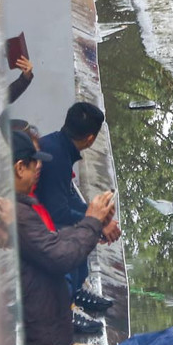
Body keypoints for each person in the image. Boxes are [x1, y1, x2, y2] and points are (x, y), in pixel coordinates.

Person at [13, 130, 117, 345]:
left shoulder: (24, 205)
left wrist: (93, 228)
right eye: (33, 161)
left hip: (47, 330)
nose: (40, 167)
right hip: (41, 338)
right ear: (19, 168)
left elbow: (51, 241)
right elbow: (58, 255)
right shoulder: (14, 212)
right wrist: (92, 222)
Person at [35, 103, 119, 314]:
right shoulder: (56, 157)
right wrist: (97, 223)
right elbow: (59, 213)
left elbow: (70, 199)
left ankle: (78, 288)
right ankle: (66, 304)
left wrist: (101, 218)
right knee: (77, 232)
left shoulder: (59, 146)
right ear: (90, 138)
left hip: (46, 215)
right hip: (40, 225)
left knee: (85, 222)